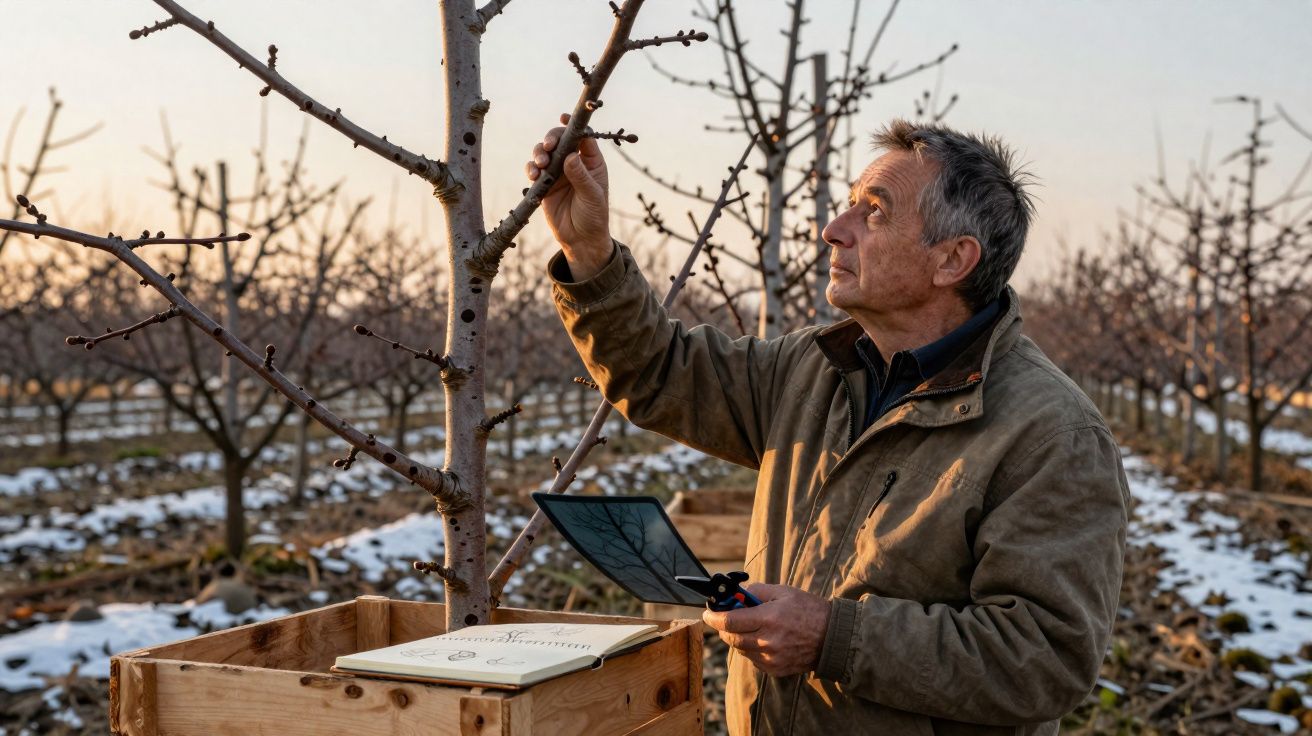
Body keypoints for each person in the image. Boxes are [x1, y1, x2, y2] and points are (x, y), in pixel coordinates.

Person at [527, 113, 1129, 736]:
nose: (833, 229)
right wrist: (588, 251)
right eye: (848, 204)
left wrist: (832, 636)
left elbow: (1044, 658)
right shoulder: (811, 368)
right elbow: (661, 372)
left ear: (952, 259)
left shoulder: (1050, 434)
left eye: (874, 212)